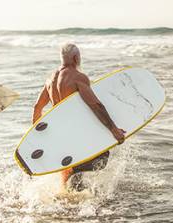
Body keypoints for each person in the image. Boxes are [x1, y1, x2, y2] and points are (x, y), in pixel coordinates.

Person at [31, 43, 126, 191]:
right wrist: (113, 129)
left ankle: (67, 196)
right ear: (76, 58)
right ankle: (73, 174)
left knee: (70, 176)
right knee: (102, 158)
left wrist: (38, 138)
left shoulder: (50, 79)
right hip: (77, 130)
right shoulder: (77, 77)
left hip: (60, 132)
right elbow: (95, 105)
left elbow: (37, 108)